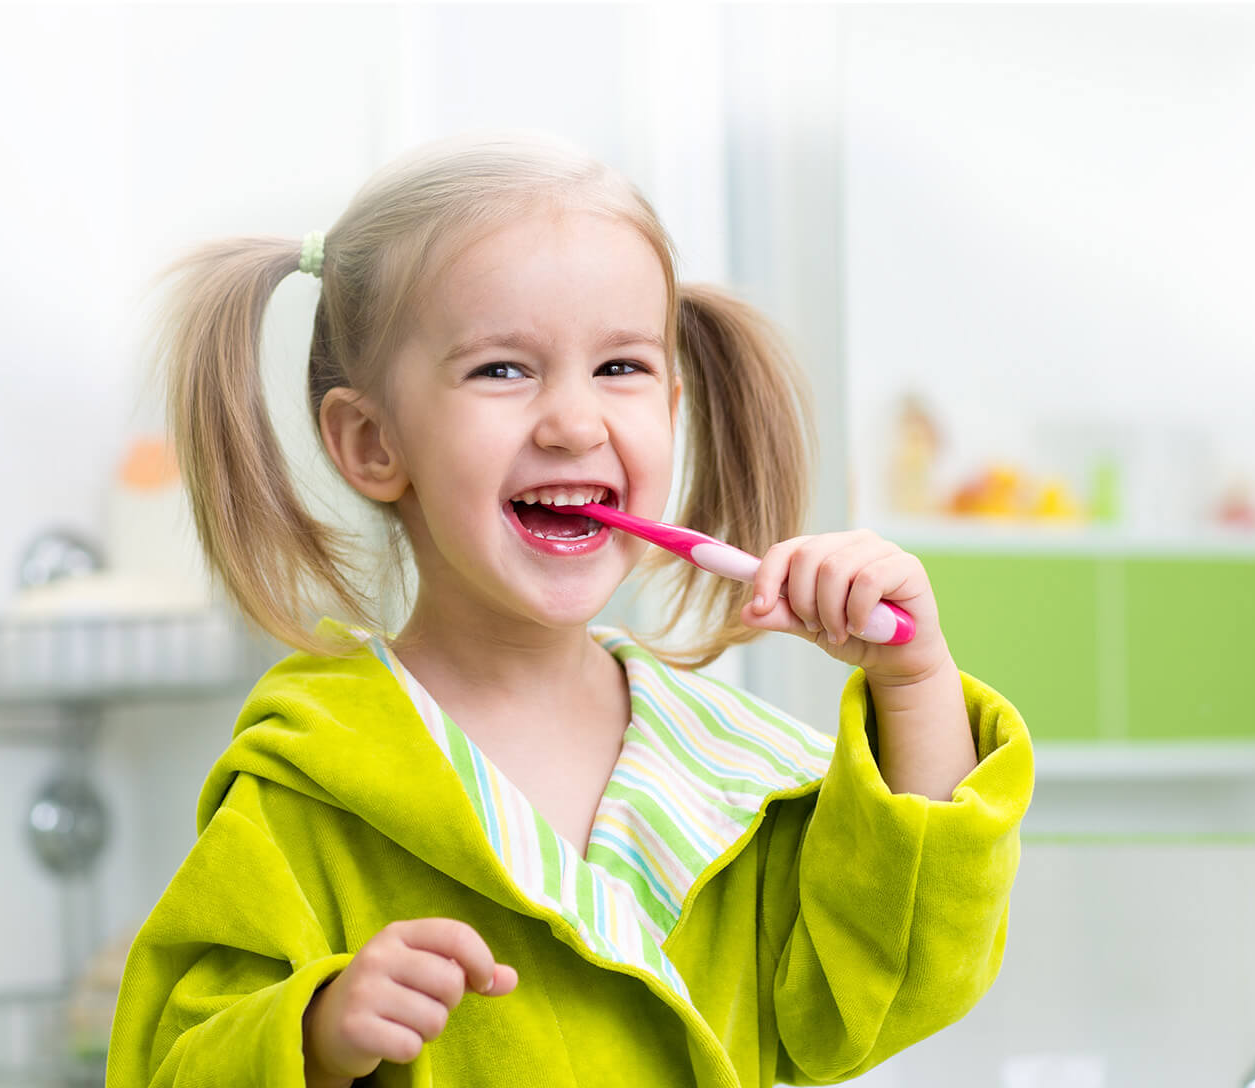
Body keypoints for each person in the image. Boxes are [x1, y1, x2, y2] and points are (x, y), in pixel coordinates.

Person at [107, 129, 1033, 1088]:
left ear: (673, 407)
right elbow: (169, 1065)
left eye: (621, 369)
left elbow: (900, 980)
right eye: (501, 369)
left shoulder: (733, 772)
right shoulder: (306, 782)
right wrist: (312, 1034)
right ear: (372, 441)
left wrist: (915, 678)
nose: (575, 422)